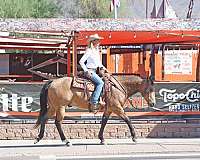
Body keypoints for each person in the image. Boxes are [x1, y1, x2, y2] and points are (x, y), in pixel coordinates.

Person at [79, 33, 106, 112]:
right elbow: (81, 61)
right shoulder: (89, 50)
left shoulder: (96, 51)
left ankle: (100, 99)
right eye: (97, 40)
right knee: (100, 83)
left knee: (106, 80)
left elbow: (98, 63)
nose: (99, 41)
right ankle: (94, 102)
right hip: (90, 71)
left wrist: (105, 69)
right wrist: (86, 71)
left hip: (95, 70)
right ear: (93, 41)